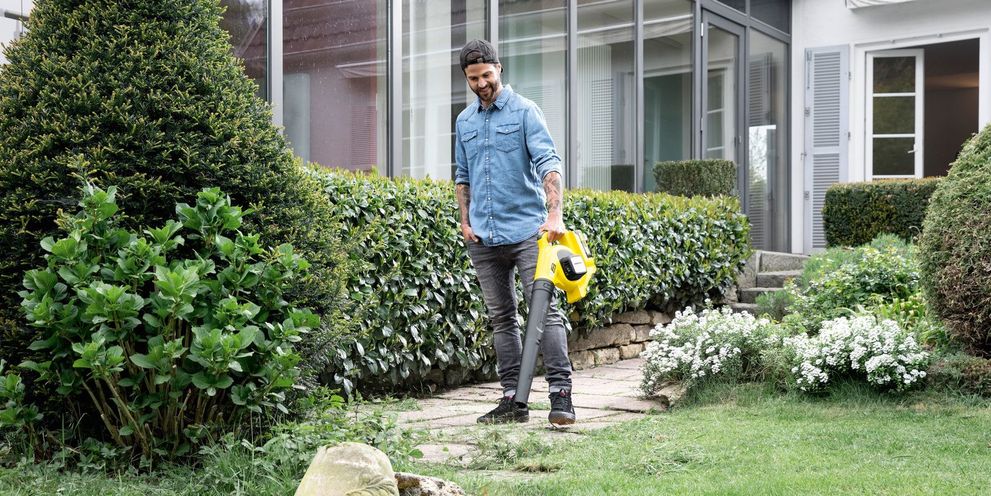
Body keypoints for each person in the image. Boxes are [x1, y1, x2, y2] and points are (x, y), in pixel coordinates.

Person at [454, 39, 575, 425]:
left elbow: (548, 163)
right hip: (484, 239)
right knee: (502, 319)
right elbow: (463, 176)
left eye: (487, 75)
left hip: (527, 234)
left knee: (546, 315)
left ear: (499, 69)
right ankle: (513, 401)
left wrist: (554, 216)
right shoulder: (464, 121)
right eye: (474, 78)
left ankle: (561, 396)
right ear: (467, 79)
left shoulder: (525, 111)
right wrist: (465, 220)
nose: (481, 84)